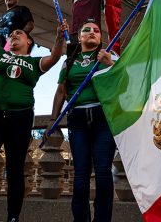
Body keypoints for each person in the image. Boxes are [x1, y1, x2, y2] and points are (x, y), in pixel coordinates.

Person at [0, 20, 66, 222]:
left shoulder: (34, 63)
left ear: (29, 41)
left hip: (20, 118)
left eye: (19, 33)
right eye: (12, 34)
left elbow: (55, 56)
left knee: (15, 170)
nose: (14, 35)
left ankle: (13, 217)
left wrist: (58, 37)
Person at [47, 20, 117, 222]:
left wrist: (110, 64)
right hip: (77, 119)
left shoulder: (109, 56)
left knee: (103, 172)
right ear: (80, 37)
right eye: (87, 30)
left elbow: (126, 81)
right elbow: (61, 90)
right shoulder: (70, 61)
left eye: (96, 30)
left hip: (102, 116)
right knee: (80, 174)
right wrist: (53, 118)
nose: (92, 32)